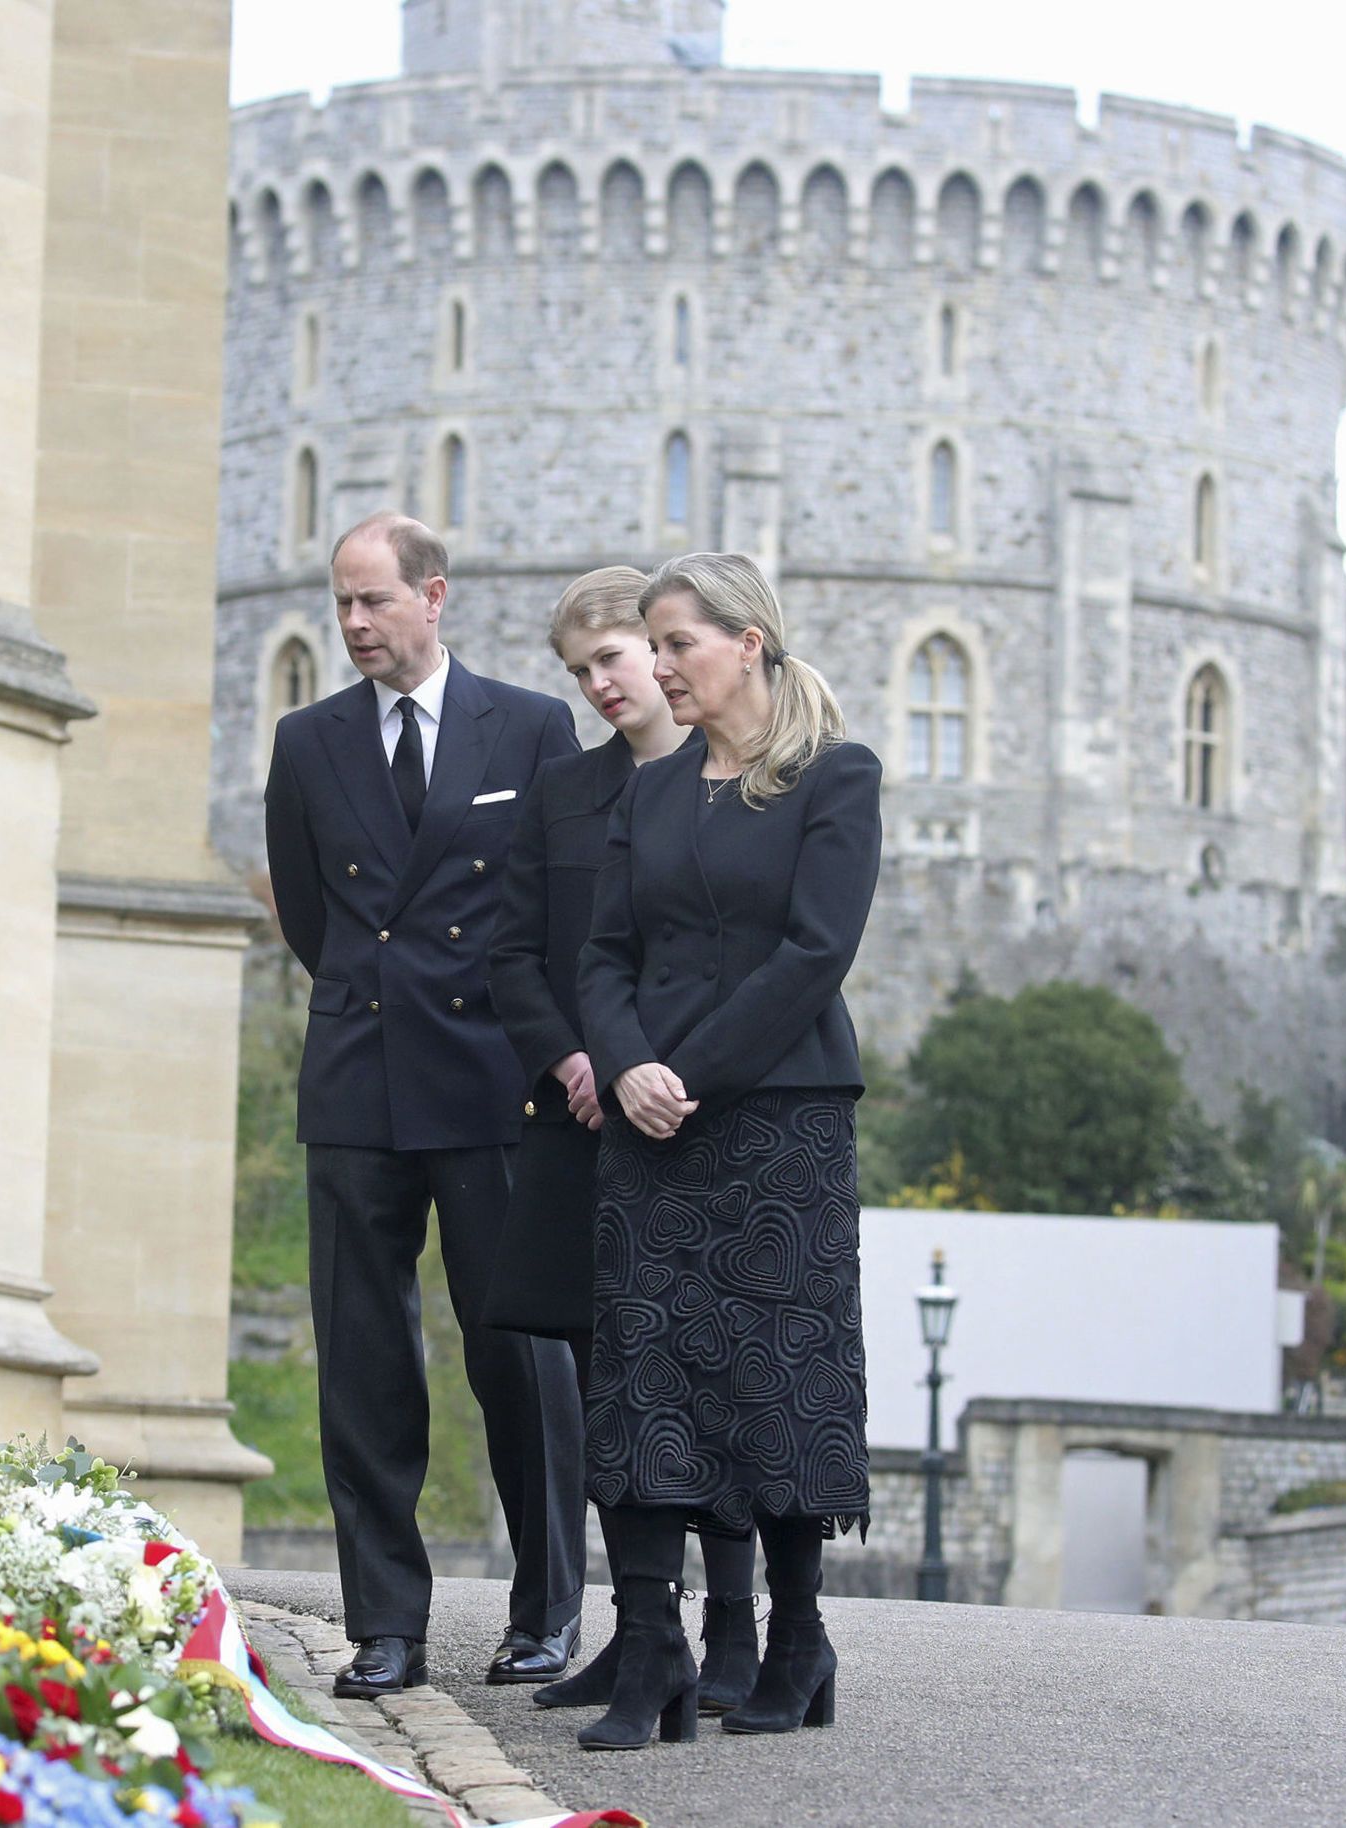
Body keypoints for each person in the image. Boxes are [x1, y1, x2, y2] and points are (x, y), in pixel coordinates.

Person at [262, 512, 589, 1699]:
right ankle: (384, 1624)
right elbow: (309, 917)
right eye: (339, 604)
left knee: (520, 1354)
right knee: (364, 1360)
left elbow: (559, 910)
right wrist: (373, 998)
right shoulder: (307, 743)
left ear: (432, 596)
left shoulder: (532, 726)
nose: (352, 624)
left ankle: (546, 1612)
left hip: (495, 1078)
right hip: (357, 1075)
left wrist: (545, 1052)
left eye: (372, 602)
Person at [572, 552, 881, 1750]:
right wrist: (625, 1063)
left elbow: (813, 954)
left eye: (676, 644)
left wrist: (684, 1076)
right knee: (645, 1371)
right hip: (649, 1121)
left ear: (746, 641)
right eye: (649, 646)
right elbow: (600, 956)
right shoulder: (647, 794)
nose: (656, 667)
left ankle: (798, 1640)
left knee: (774, 1373)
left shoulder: (831, 778)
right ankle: (650, 1640)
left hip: (777, 1122)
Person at [483, 567, 764, 1716]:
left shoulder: (743, 785)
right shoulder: (561, 793)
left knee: (717, 1376)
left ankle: (732, 1627)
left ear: (663, 652)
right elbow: (513, 953)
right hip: (581, 1119)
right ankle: (640, 1629)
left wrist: (666, 1067)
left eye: (613, 656)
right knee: (606, 1385)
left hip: (702, 1115)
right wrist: (575, 1059)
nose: (600, 682)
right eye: (580, 669)